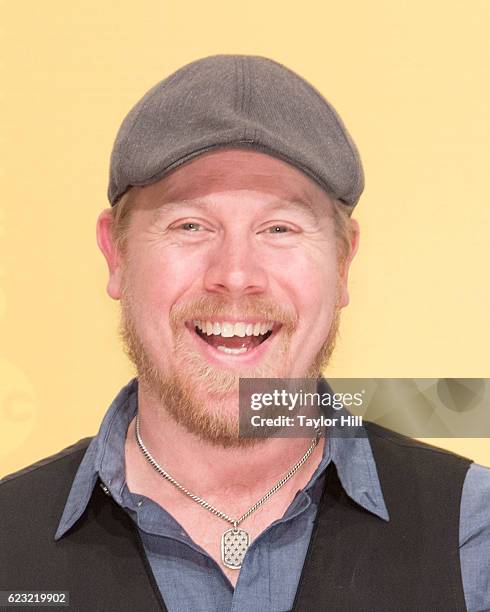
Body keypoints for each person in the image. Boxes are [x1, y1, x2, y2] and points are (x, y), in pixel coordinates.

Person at [0, 54, 489, 612]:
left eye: (279, 228)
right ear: (117, 253)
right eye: (190, 225)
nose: (235, 275)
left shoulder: (474, 532)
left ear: (343, 261)